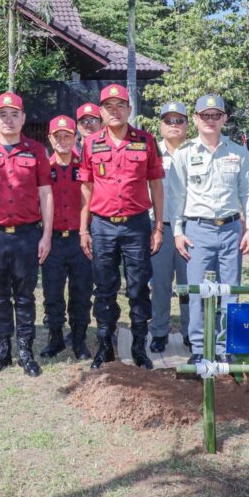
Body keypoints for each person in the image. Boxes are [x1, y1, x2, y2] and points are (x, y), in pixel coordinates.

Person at [0, 91, 53, 377]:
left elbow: (46, 194)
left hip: (27, 235)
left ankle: (25, 351)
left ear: (23, 118)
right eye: (2, 115)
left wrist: (47, 235)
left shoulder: (37, 151)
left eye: (14, 114)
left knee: (25, 295)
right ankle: (2, 349)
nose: (8, 119)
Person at [80, 84, 164, 370]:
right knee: (104, 288)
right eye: (108, 107)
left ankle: (139, 346)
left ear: (129, 110)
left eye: (120, 106)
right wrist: (84, 229)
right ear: (101, 112)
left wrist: (158, 227)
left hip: (136, 226)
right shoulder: (91, 143)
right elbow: (86, 188)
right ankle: (105, 346)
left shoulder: (146, 141)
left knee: (138, 288)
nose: (114, 111)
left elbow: (156, 185)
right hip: (102, 226)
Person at [171, 94, 249, 365]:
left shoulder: (238, 152)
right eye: (205, 115)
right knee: (197, 291)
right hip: (197, 230)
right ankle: (199, 347)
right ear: (196, 119)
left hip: (231, 229)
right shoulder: (185, 153)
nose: (210, 120)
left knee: (230, 291)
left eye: (216, 115)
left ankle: (225, 345)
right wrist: (177, 231)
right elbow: (177, 196)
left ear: (224, 119)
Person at [41, 115, 93, 360]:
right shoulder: (43, 167)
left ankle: (79, 340)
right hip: (52, 240)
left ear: (75, 138)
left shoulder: (84, 166)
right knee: (52, 293)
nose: (62, 140)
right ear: (50, 138)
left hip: (79, 239)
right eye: (57, 136)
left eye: (67, 136)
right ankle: (55, 339)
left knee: (81, 293)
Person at [150, 101, 190, 353]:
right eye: (168, 121)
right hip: (160, 227)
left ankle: (190, 331)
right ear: (160, 125)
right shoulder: (151, 152)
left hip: (190, 228)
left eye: (179, 120)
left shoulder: (196, 151)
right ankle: (159, 331)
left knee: (188, 285)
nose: (174, 125)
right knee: (160, 284)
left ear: (187, 124)